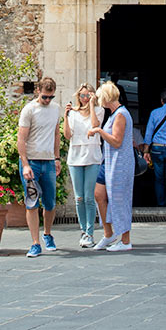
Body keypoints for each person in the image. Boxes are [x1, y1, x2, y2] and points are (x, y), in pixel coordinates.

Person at [17, 76, 62, 257]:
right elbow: (21, 138)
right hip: (32, 162)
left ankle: (47, 234)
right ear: (38, 91)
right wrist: (25, 164)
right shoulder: (29, 110)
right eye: (44, 97)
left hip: (49, 161)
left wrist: (57, 158)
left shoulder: (56, 109)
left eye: (50, 97)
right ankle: (35, 243)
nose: (47, 100)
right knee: (32, 202)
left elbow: (56, 135)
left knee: (50, 203)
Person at [87, 81, 134, 251]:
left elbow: (116, 141)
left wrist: (99, 131)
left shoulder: (121, 114)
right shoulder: (113, 114)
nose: (99, 100)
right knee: (99, 194)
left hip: (120, 163)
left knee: (120, 200)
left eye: (100, 97)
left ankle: (125, 240)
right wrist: (91, 105)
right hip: (108, 162)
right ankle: (109, 234)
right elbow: (95, 126)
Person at [63, 83, 104, 248]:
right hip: (75, 157)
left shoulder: (99, 110)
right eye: (82, 95)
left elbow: (95, 125)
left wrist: (92, 106)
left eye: (88, 95)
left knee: (89, 197)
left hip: (92, 156)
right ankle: (83, 230)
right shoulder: (73, 113)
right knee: (79, 198)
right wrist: (66, 116)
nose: (85, 98)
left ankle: (90, 232)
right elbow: (67, 135)